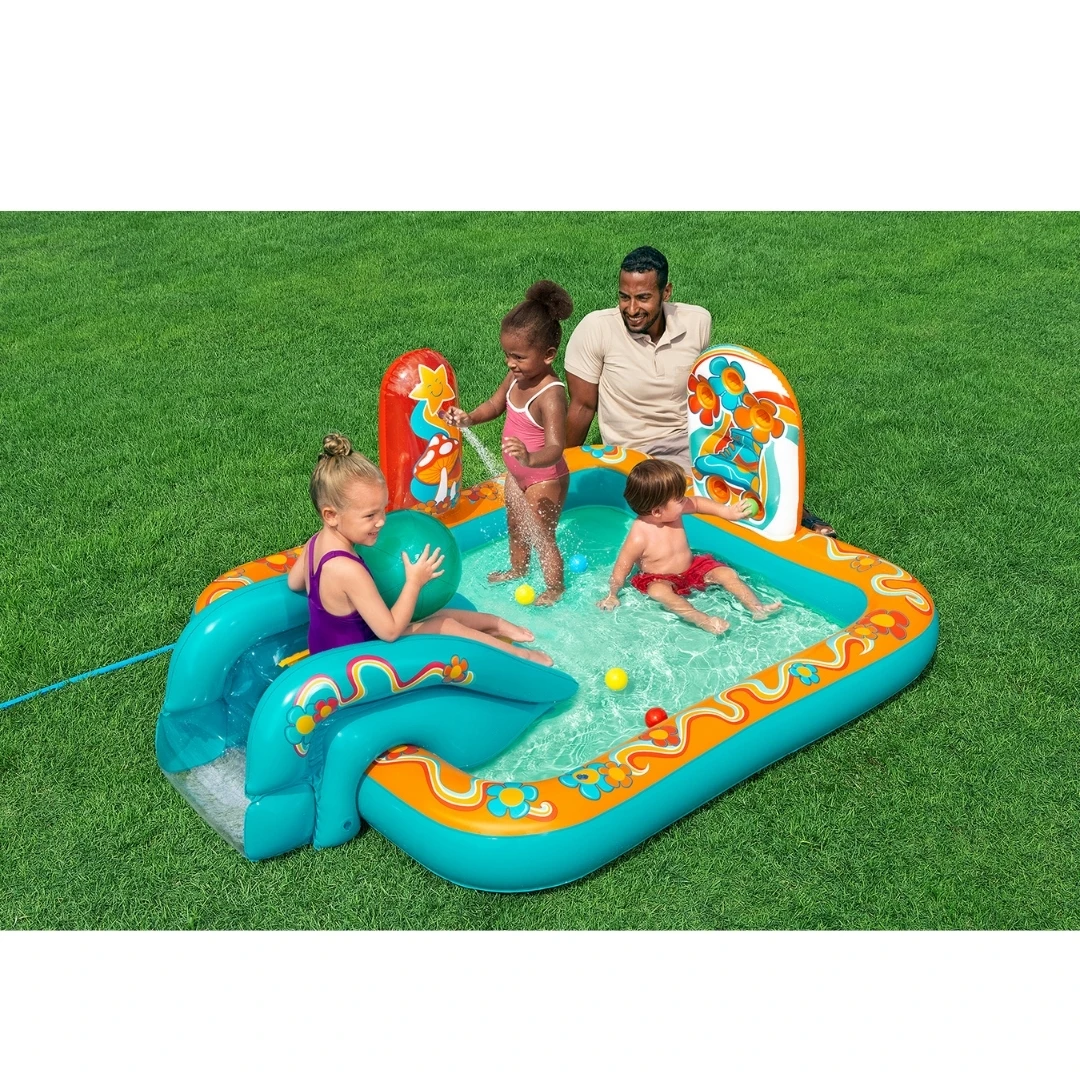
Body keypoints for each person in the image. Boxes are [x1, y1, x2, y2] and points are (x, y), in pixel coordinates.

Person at [564, 246, 837, 537]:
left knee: (754, 467)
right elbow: (582, 406)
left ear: (666, 292)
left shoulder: (697, 322)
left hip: (695, 438)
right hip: (640, 451)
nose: (631, 309)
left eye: (643, 298)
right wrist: (560, 469)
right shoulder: (596, 330)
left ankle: (798, 523)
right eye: (624, 297)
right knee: (700, 499)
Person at [287, 433, 553, 665]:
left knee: (429, 614)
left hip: (326, 650)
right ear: (331, 515)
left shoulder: (315, 543)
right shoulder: (348, 569)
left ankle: (495, 624)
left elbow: (294, 583)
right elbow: (390, 632)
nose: (382, 522)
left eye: (383, 510)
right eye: (369, 516)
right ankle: (519, 656)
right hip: (355, 662)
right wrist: (414, 582)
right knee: (443, 624)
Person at [440, 280, 573, 605]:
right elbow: (495, 404)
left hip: (544, 477)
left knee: (541, 535)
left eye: (519, 357)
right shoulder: (516, 376)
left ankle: (555, 588)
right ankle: (518, 568)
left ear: (548, 355)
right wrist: (469, 418)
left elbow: (556, 447)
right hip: (517, 474)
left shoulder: (551, 394)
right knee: (515, 525)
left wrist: (529, 458)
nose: (510, 363)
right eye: (507, 355)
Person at [598, 458, 782, 635]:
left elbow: (698, 503)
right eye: (679, 499)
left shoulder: (671, 511)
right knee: (658, 592)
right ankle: (703, 620)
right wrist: (612, 594)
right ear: (657, 511)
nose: (685, 500)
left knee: (726, 573)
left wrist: (727, 512)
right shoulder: (639, 536)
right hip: (661, 579)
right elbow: (622, 566)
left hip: (693, 568)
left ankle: (757, 608)